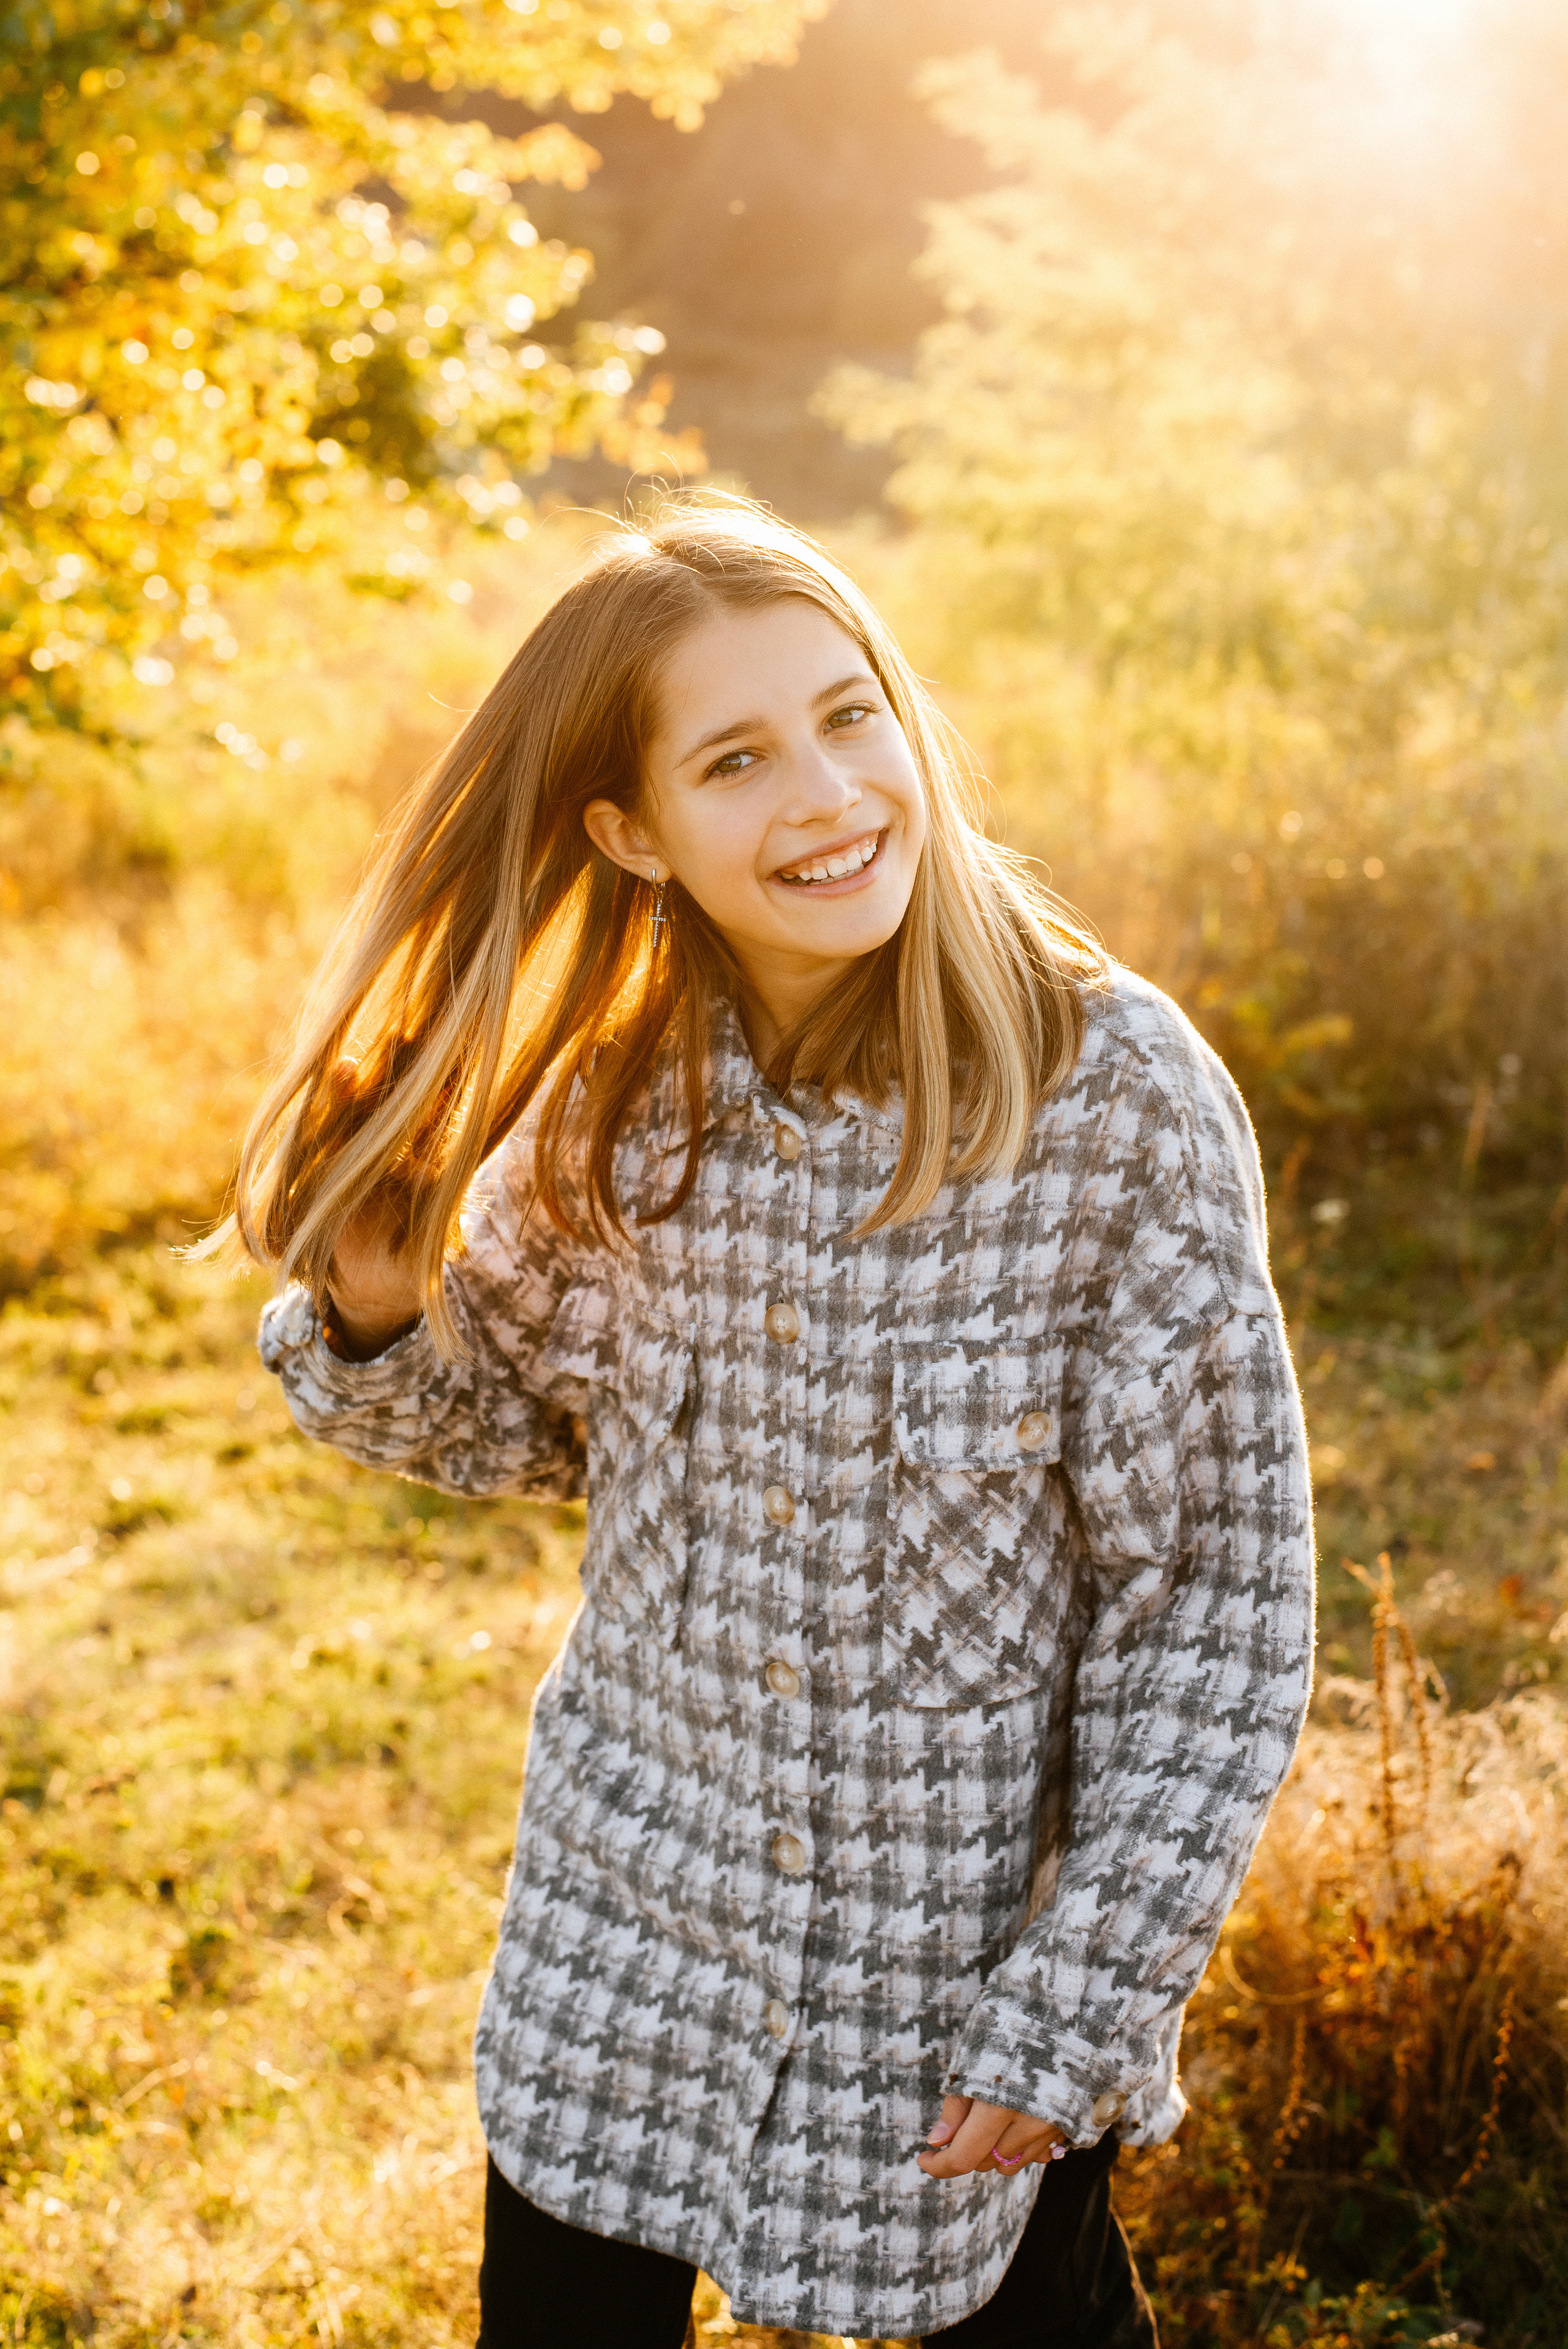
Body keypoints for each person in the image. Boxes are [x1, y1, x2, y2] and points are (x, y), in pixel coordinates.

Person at [233, 497, 1314, 2346]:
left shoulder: (1118, 1100)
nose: (825, 794)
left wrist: (1082, 1999)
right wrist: (385, 1300)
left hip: (957, 1972)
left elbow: (1214, 1610)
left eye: (850, 715)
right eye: (735, 758)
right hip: (627, 1918)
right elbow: (514, 1432)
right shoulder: (615, 1101)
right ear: (629, 831)